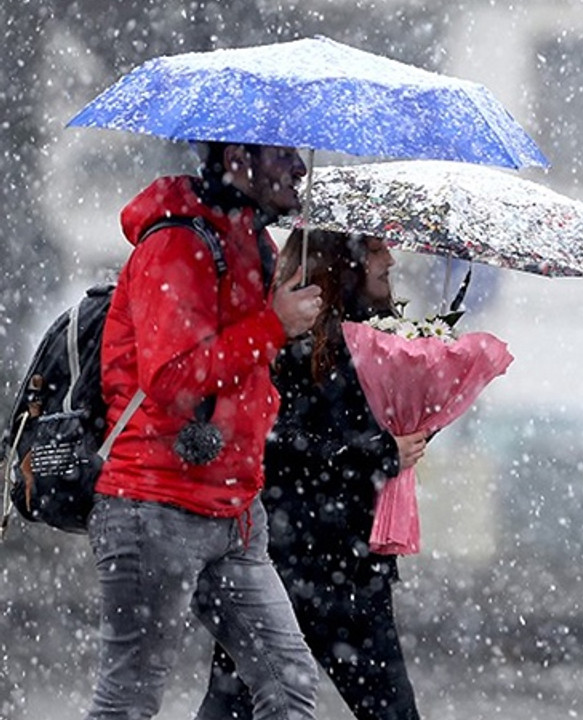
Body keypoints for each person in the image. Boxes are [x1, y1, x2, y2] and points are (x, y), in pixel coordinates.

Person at [87, 142, 324, 719]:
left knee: (288, 684)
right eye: (281, 154)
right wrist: (273, 324)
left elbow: (247, 369)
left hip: (236, 510)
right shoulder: (177, 243)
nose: (299, 167)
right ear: (238, 157)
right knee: (129, 699)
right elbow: (172, 376)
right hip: (154, 504)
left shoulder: (252, 243)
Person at [197, 229, 430, 720]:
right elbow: (277, 441)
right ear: (341, 261)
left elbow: (371, 440)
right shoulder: (289, 339)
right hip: (284, 562)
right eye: (374, 248)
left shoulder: (382, 339)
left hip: (353, 566)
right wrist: (376, 453)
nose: (389, 258)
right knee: (234, 707)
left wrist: (418, 422)